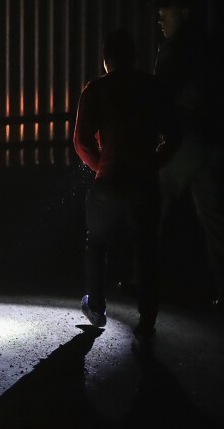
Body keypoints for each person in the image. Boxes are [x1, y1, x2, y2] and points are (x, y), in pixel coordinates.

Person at [73, 29, 169, 338]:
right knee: (147, 247)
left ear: (105, 60)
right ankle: (147, 318)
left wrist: (101, 166)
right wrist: (153, 162)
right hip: (143, 180)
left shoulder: (96, 89)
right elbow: (175, 135)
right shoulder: (152, 87)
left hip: (109, 181)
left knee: (97, 244)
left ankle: (97, 307)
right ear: (135, 57)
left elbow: (81, 141)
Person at [153, 0, 224, 313]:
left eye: (167, 12)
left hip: (185, 143)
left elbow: (161, 97)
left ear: (185, 12)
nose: (161, 19)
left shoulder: (177, 51)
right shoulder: (213, 48)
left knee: (154, 209)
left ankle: (147, 282)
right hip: (209, 142)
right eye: (160, 14)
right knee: (214, 219)